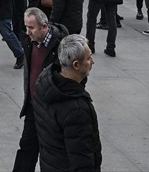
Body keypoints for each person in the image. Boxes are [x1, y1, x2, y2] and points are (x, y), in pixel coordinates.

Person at [32, 33, 102, 172]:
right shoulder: (77, 109)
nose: (92, 62)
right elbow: (81, 159)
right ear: (76, 65)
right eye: (88, 58)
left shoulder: (45, 81)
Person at [12, 7, 69, 172]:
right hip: (33, 107)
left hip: (52, 110)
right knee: (26, 149)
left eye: (31, 27)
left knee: (52, 155)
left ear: (44, 27)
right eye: (26, 27)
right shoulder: (29, 41)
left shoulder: (61, 46)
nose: (28, 32)